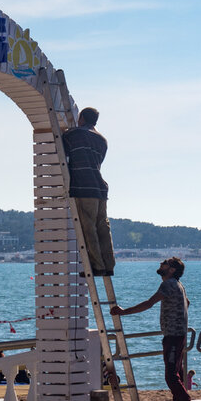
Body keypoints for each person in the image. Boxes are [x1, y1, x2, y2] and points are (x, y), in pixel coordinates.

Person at [110, 257, 199, 401]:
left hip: (173, 336)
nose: (161, 264)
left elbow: (149, 303)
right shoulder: (178, 285)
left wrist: (123, 312)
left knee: (171, 376)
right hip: (178, 335)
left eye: (165, 262)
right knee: (176, 375)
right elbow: (187, 302)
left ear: (172, 269)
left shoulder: (169, 284)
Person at [62, 107, 115, 277]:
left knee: (88, 228)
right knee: (103, 229)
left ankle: (97, 266)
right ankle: (108, 265)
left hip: (84, 186)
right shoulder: (103, 140)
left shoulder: (75, 135)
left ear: (82, 118)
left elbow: (63, 142)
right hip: (100, 188)